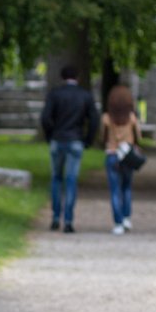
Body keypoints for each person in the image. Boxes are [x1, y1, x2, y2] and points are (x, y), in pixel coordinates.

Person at [39, 64, 99, 233]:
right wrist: (88, 140)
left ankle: (55, 217)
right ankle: (68, 220)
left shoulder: (55, 94)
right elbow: (94, 120)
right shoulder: (84, 95)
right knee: (71, 180)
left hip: (57, 140)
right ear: (77, 77)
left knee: (56, 178)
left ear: (62, 77)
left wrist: (50, 135)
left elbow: (45, 117)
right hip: (75, 140)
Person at [101, 84, 141, 234]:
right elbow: (138, 137)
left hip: (112, 155)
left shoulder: (106, 118)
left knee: (114, 190)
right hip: (127, 155)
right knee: (127, 187)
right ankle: (126, 218)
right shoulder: (131, 117)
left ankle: (117, 223)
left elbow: (102, 137)